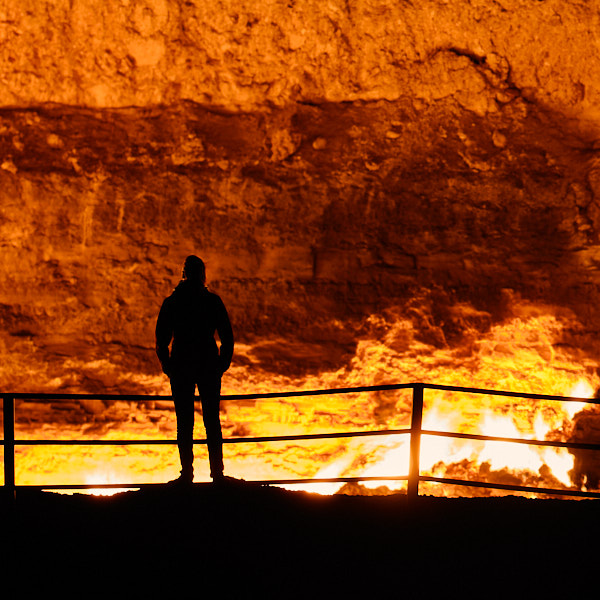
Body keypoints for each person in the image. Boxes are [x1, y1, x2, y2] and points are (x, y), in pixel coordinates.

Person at [155, 255, 234, 484]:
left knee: (184, 422)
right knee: (212, 420)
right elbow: (227, 337)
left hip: (182, 364)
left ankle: (186, 474)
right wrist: (221, 364)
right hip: (208, 363)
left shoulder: (172, 303)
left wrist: (168, 365)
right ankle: (217, 474)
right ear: (202, 275)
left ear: (184, 274)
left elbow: (162, 341)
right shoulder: (212, 302)